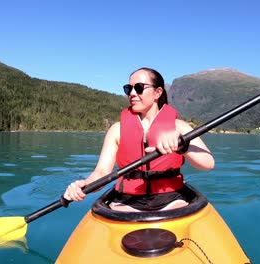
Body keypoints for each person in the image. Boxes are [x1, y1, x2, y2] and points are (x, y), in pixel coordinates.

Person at [64, 67, 214, 212]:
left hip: (171, 199)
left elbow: (208, 164)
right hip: (126, 201)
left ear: (157, 93)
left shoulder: (179, 127)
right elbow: (102, 172)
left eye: (139, 88)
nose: (132, 93)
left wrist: (183, 146)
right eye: (129, 89)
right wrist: (83, 186)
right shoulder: (116, 129)